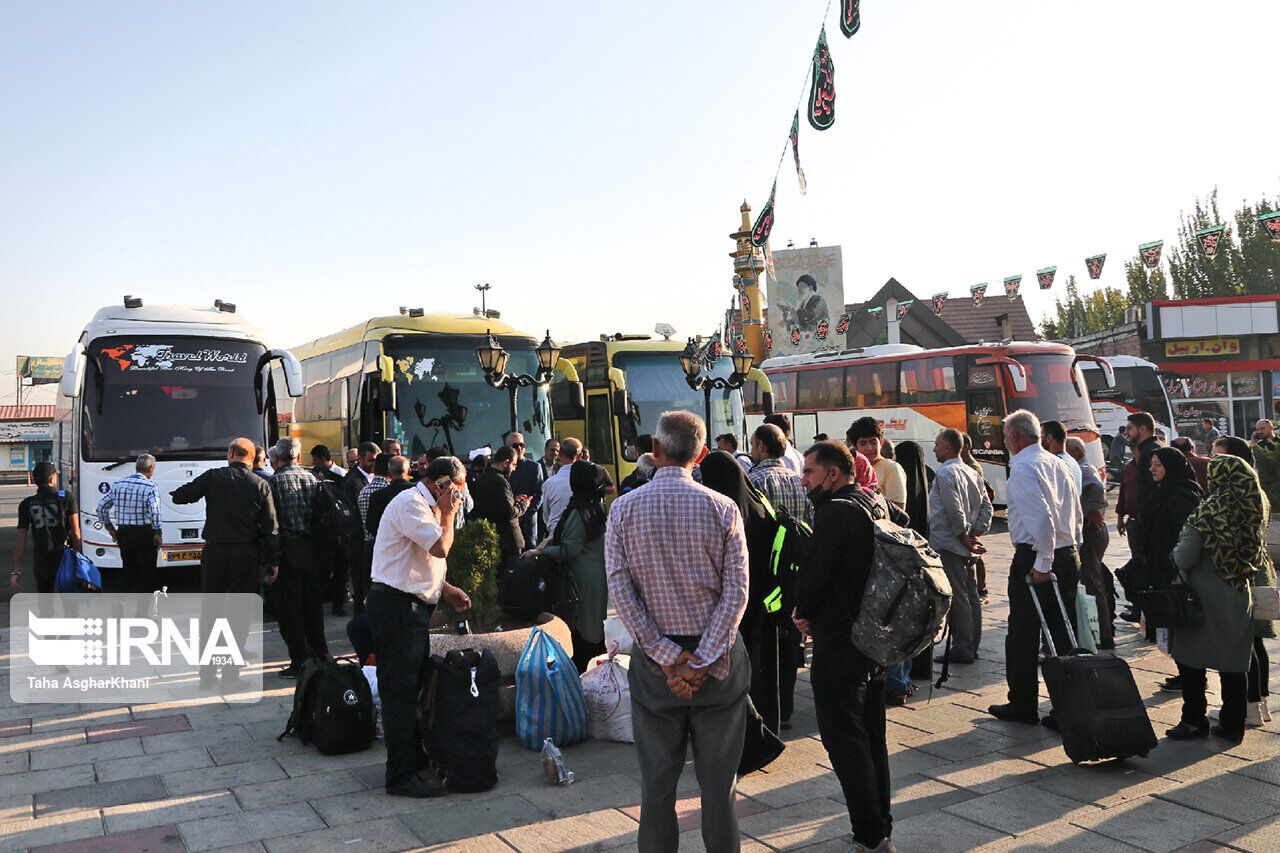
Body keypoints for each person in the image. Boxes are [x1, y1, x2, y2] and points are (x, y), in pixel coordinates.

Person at [605, 410, 749, 853]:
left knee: (656, 788)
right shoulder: (722, 508)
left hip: (655, 671)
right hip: (718, 667)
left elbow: (620, 590)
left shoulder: (623, 508)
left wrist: (667, 658)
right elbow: (737, 591)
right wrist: (701, 660)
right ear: (701, 454)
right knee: (720, 788)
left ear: (654, 450)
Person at [793, 440, 895, 853]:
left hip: (840, 642)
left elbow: (814, 577)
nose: (803, 481)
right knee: (871, 737)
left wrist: (803, 612)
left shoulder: (834, 513)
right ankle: (880, 827)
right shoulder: (874, 502)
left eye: (809, 472)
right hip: (874, 640)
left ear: (832, 473)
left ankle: (869, 835)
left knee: (845, 741)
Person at [367, 455, 473, 797]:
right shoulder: (411, 503)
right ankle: (400, 775)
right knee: (399, 692)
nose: (460, 497)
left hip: (409, 607)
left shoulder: (426, 506)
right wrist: (449, 513)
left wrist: (445, 588)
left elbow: (414, 560)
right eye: (457, 489)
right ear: (441, 484)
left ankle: (411, 759)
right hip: (396, 608)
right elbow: (440, 547)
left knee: (411, 687)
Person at [989, 410, 1081, 728]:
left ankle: (1023, 703)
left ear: (1015, 436)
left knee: (1023, 634)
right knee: (1063, 632)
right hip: (1066, 552)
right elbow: (1074, 511)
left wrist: (1043, 563)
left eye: (1005, 436)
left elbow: (1042, 519)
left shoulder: (1023, 467)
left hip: (1038, 557)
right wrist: (1072, 551)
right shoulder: (1057, 462)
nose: (1005, 442)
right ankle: (1068, 705)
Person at [1165, 454, 1265, 744]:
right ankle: (1233, 725)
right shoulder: (1252, 507)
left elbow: (1185, 557)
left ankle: (1193, 720)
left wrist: (1174, 552)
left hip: (1204, 598)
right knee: (1233, 664)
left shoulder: (1209, 510)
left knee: (1191, 661)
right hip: (1239, 595)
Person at [171, 438, 279, 689]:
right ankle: (230, 677)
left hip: (215, 552)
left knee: (211, 613)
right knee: (239, 616)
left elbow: (181, 497)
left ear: (230, 454)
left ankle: (207, 675)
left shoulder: (213, 477)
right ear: (251, 458)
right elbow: (271, 528)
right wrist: (272, 561)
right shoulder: (260, 484)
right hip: (245, 554)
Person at [747, 422, 811, 726]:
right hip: (796, 572)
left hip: (768, 574)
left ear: (761, 447)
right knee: (790, 639)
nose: (751, 450)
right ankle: (786, 708)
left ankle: (767, 709)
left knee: (765, 642)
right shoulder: (800, 480)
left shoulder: (754, 481)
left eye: (752, 444)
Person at [1211, 436, 1275, 727]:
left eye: (1220, 458)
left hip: (1245, 573)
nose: (1213, 464)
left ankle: (1250, 706)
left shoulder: (1239, 494)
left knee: (1246, 643)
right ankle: (1260, 703)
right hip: (1257, 569)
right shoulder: (1255, 489)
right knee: (1254, 641)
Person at [527, 460, 610, 673]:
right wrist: (553, 539)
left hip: (580, 580)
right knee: (594, 630)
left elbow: (570, 550)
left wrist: (540, 552)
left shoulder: (579, 510)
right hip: (595, 576)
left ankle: (582, 679)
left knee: (583, 633)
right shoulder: (595, 504)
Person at [929, 429, 993, 666]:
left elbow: (953, 508)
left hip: (950, 543)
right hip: (965, 545)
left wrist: (964, 535)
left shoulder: (945, 473)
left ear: (947, 447)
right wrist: (975, 532)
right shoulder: (971, 472)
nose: (934, 449)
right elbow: (987, 507)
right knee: (971, 595)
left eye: (937, 445)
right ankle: (971, 645)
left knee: (959, 597)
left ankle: (963, 648)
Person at [267, 437, 326, 677]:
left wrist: (271, 560)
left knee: (289, 608)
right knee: (313, 605)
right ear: (299, 456)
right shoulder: (312, 478)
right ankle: (321, 655)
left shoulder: (273, 482)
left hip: (287, 550)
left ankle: (300, 661)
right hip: (311, 549)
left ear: (277, 457)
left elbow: (270, 524)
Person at [1066, 437, 1115, 649]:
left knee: (1092, 582)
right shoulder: (1081, 467)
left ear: (1076, 451)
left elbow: (1095, 487)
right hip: (1091, 531)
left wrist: (1093, 510)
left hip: (1091, 531)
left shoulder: (1083, 469)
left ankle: (1103, 635)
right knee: (1091, 580)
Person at [96, 454, 162, 595]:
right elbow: (155, 511)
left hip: (124, 533)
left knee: (128, 569)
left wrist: (110, 528)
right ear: (151, 468)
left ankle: (122, 601)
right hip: (144, 534)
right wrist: (157, 532)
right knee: (146, 572)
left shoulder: (119, 484)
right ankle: (142, 606)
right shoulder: (150, 486)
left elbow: (101, 507)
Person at [12, 461, 80, 593]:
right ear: (52, 479)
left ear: (35, 480)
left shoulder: (27, 504)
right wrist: (78, 559)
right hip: (64, 557)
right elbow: (75, 532)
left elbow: (21, 540)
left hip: (41, 560)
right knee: (68, 598)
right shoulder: (67, 498)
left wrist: (16, 571)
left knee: (45, 600)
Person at [471, 445, 530, 565]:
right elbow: (509, 512)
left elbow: (493, 504)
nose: (514, 469)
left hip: (491, 537)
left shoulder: (483, 478)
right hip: (509, 540)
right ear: (506, 463)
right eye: (513, 465)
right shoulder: (500, 481)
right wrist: (524, 505)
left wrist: (513, 500)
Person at [353, 453, 392, 616]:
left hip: (368, 546)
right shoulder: (388, 492)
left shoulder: (364, 491)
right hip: (386, 548)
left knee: (370, 591)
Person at [847, 417, 906, 512]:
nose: (869, 448)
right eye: (863, 444)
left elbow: (898, 510)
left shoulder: (891, 468)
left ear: (881, 443)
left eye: (873, 442)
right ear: (855, 447)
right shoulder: (853, 468)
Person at [1126, 412, 1164, 556]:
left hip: (1151, 524)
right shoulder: (1149, 449)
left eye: (1130, 428)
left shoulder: (1151, 452)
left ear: (1142, 429)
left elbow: (1151, 489)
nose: (1126, 433)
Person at [959, 432, 992, 600]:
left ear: (965, 447)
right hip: (970, 516)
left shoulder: (973, 467)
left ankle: (982, 589)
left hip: (973, 516)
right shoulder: (966, 464)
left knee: (976, 553)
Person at [505, 432, 544, 549]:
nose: (519, 448)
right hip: (509, 521)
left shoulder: (534, 467)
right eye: (515, 445)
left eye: (521, 445)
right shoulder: (503, 467)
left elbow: (539, 495)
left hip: (528, 523)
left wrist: (524, 515)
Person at [541, 437, 583, 534]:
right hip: (580, 534)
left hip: (555, 533)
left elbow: (546, 515)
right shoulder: (587, 480)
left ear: (559, 454)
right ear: (580, 456)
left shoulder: (549, 484)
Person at [1041, 420, 1081, 497]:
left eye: (1039, 437)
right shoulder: (1072, 461)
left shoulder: (1055, 463)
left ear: (1049, 438)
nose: (1037, 441)